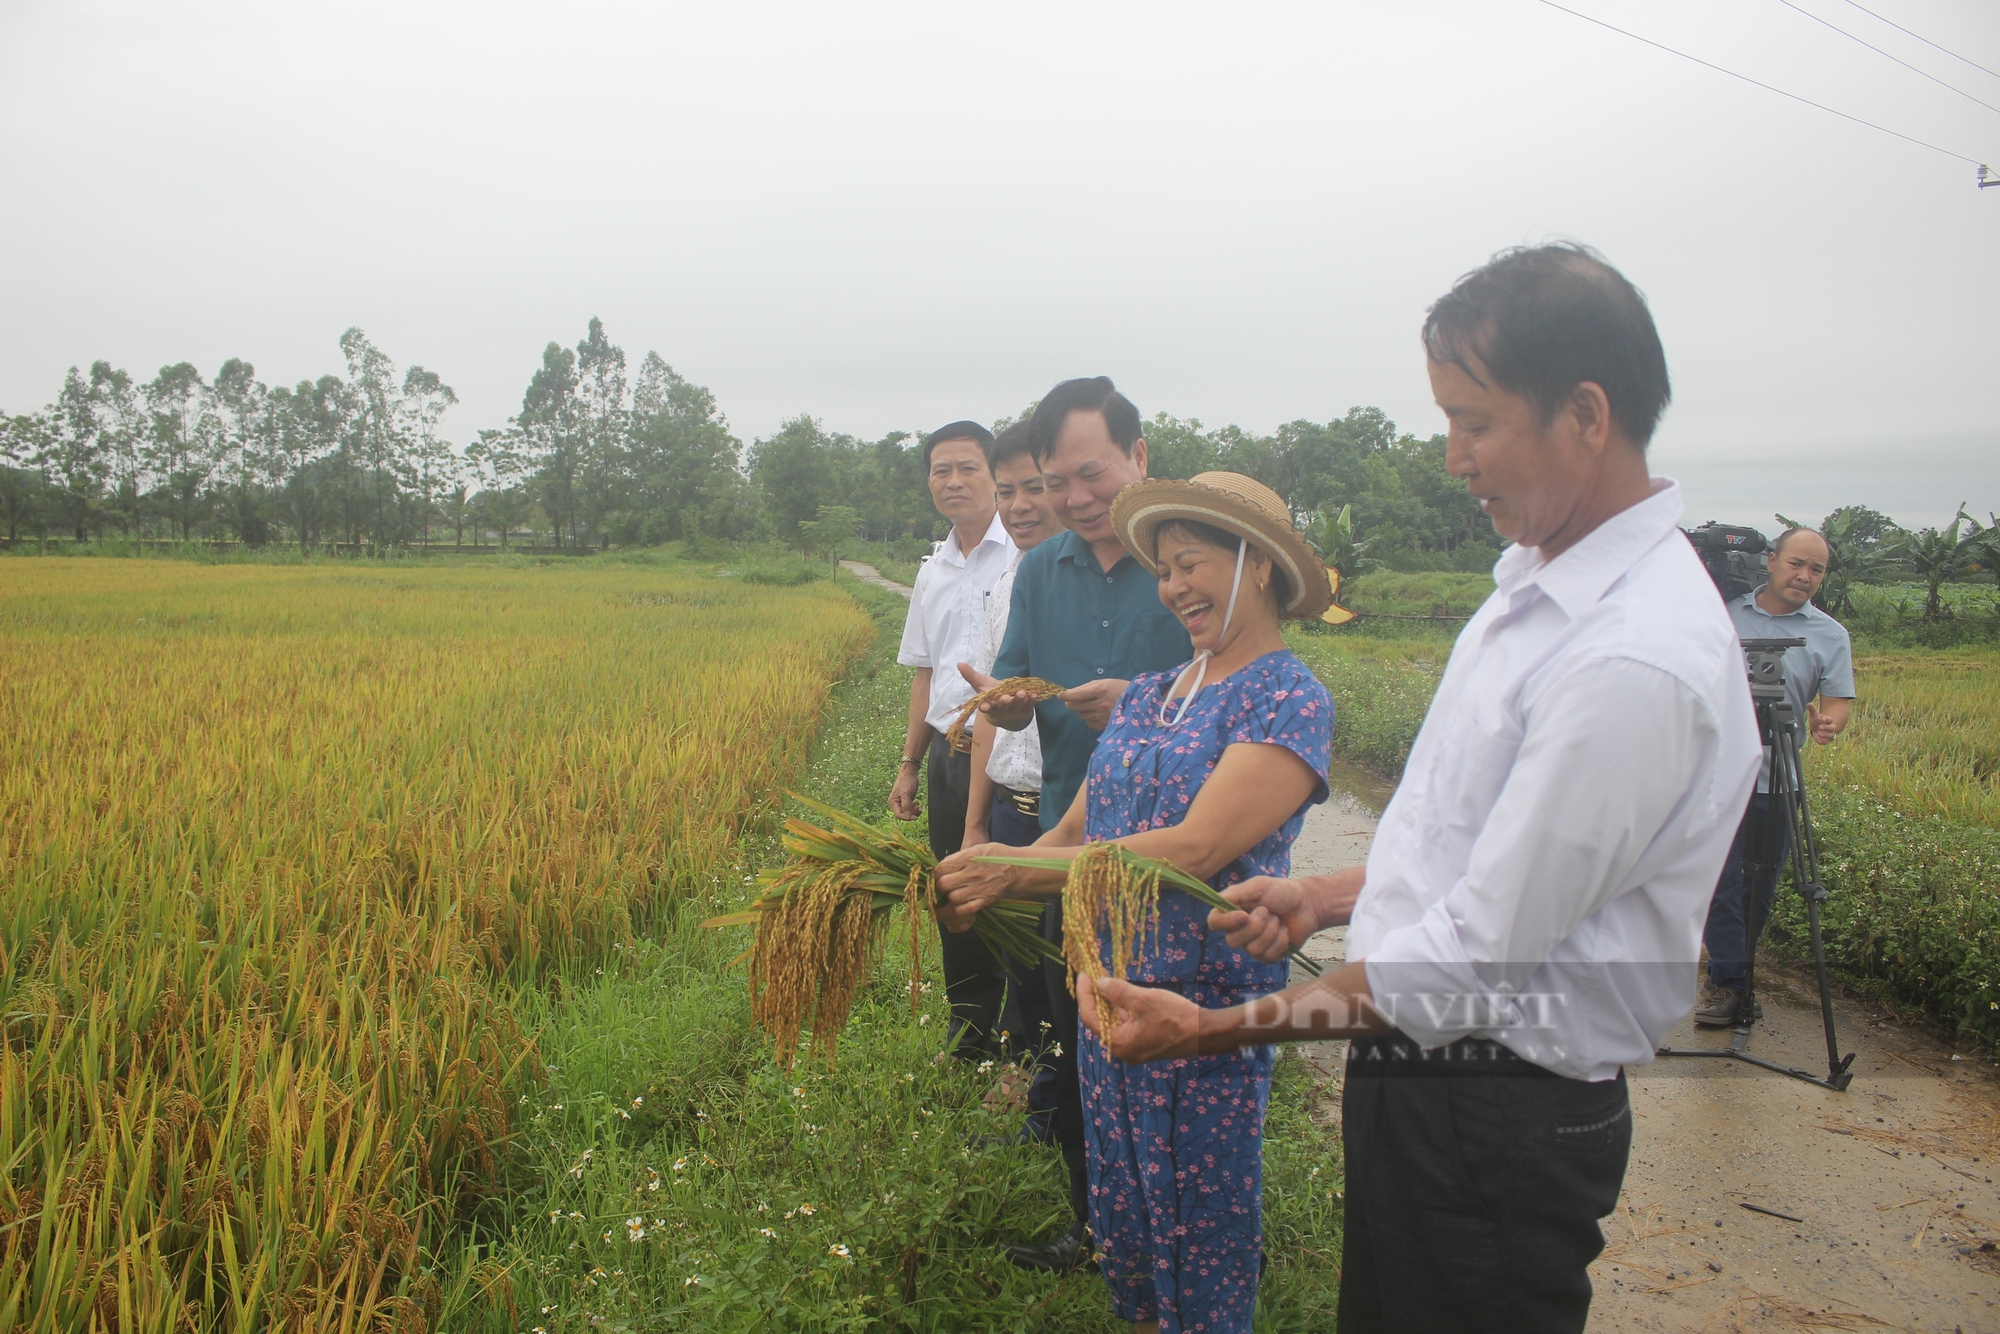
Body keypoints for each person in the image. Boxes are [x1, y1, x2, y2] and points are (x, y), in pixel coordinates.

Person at [1074, 243, 1761, 1334]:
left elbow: (1465, 965)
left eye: (1472, 421)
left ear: (1585, 414)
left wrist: (1208, 1028)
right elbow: (1470, 848)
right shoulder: (1532, 586)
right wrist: (1330, 894)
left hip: (1495, 1108)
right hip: (1427, 1080)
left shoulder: (1629, 660)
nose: (1452, 456)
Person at [939, 471, 1335, 1334]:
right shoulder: (1153, 694)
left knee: (1201, 1233)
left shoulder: (1285, 696)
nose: (1174, 587)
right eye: (1166, 569)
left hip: (1198, 1012)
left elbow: (1196, 848)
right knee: (1128, 1222)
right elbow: (1076, 828)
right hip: (1105, 999)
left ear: (1258, 565)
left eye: (1192, 564)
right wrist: (987, 877)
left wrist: (1012, 868)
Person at [956, 376, 1193, 1272]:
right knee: (1083, 1045)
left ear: (1139, 458)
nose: (1075, 497)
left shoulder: (1189, 560)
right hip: (1066, 849)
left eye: (1091, 473)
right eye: (1057, 482)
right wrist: (1008, 702)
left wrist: (1142, 702)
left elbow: (1243, 685)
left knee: (1177, 1057)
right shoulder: (1040, 573)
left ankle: (1194, 1239)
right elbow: (1014, 705)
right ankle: (1101, 1228)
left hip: (1179, 862)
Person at [889, 419, 1014, 1058]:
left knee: (1016, 895)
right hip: (948, 754)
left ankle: (1026, 1041)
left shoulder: (1024, 554)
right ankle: (970, 1035)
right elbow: (924, 673)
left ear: (995, 477)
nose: (954, 481)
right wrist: (910, 764)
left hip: (1017, 759)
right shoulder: (932, 571)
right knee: (954, 896)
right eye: (942, 470)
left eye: (968, 467)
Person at [1695, 524, 1854, 1025]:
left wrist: (1829, 722)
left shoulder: (1831, 633)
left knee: (1758, 888)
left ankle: (1731, 979)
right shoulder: (1725, 615)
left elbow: (1837, 699)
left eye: (1816, 569)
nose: (1804, 576)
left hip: (1779, 776)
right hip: (1720, 777)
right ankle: (1733, 985)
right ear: (1770, 561)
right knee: (1717, 883)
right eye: (1795, 564)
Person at [959, 419, 1065, 1131]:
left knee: (1064, 973)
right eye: (1009, 491)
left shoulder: (1090, 585)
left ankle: (1054, 1101)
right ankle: (1034, 1086)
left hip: (1068, 814)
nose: (1022, 504)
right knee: (1025, 968)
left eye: (1037, 486)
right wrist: (973, 824)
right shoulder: (1007, 586)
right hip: (1014, 805)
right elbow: (994, 717)